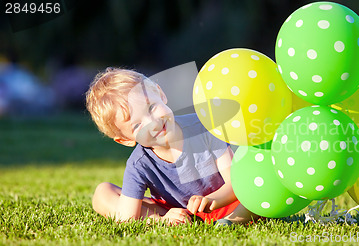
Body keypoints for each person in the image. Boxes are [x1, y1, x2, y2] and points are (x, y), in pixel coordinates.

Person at [85, 67, 257, 226]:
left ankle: (230, 221)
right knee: (103, 191)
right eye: (137, 126)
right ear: (125, 140)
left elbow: (235, 183)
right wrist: (159, 219)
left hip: (225, 201)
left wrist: (212, 200)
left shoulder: (203, 127)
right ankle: (171, 220)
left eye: (151, 108)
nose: (152, 123)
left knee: (252, 187)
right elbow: (126, 218)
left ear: (160, 94)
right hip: (179, 211)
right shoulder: (139, 163)